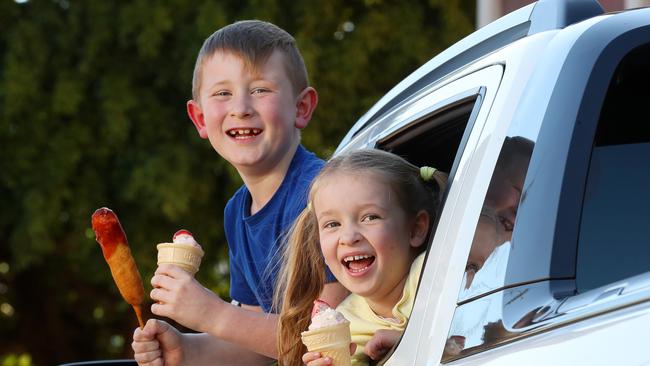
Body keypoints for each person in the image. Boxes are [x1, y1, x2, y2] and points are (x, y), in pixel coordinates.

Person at [131, 20, 348, 365]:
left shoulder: (327, 195)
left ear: (302, 108)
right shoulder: (237, 212)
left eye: (261, 89)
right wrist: (185, 348)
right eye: (222, 93)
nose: (241, 107)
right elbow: (257, 344)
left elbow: (327, 338)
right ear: (200, 118)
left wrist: (211, 313)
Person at [274, 149, 447, 366]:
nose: (348, 237)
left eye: (370, 217)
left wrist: (413, 344)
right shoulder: (345, 323)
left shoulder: (440, 275)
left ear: (415, 229)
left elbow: (476, 333)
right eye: (332, 224)